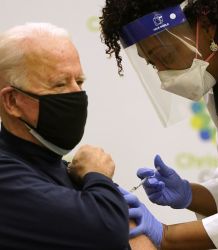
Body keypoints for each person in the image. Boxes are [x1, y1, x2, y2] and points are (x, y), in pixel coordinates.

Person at [100, 0, 218, 249]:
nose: (163, 77)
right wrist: (190, 194)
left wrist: (168, 235)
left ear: (208, 28)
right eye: (152, 64)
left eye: (165, 57)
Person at [0, 22, 132, 250]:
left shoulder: (61, 167)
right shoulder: (6, 175)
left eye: (79, 82)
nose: (77, 95)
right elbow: (109, 232)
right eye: (60, 84)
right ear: (12, 101)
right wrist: (98, 176)